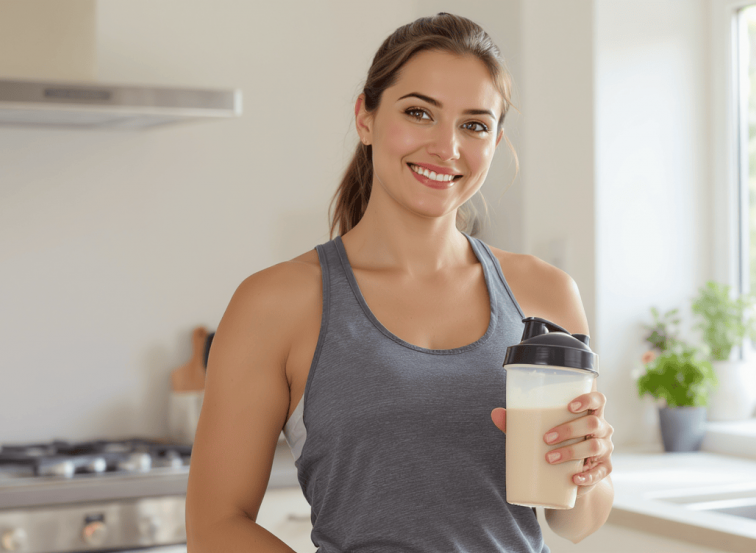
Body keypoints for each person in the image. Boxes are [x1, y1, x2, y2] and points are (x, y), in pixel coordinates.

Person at [185, 13, 614, 552]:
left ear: (496, 141)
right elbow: (215, 526)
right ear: (365, 117)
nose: (447, 147)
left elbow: (576, 520)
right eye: (419, 113)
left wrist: (588, 466)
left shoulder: (545, 294)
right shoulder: (277, 302)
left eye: (474, 125)